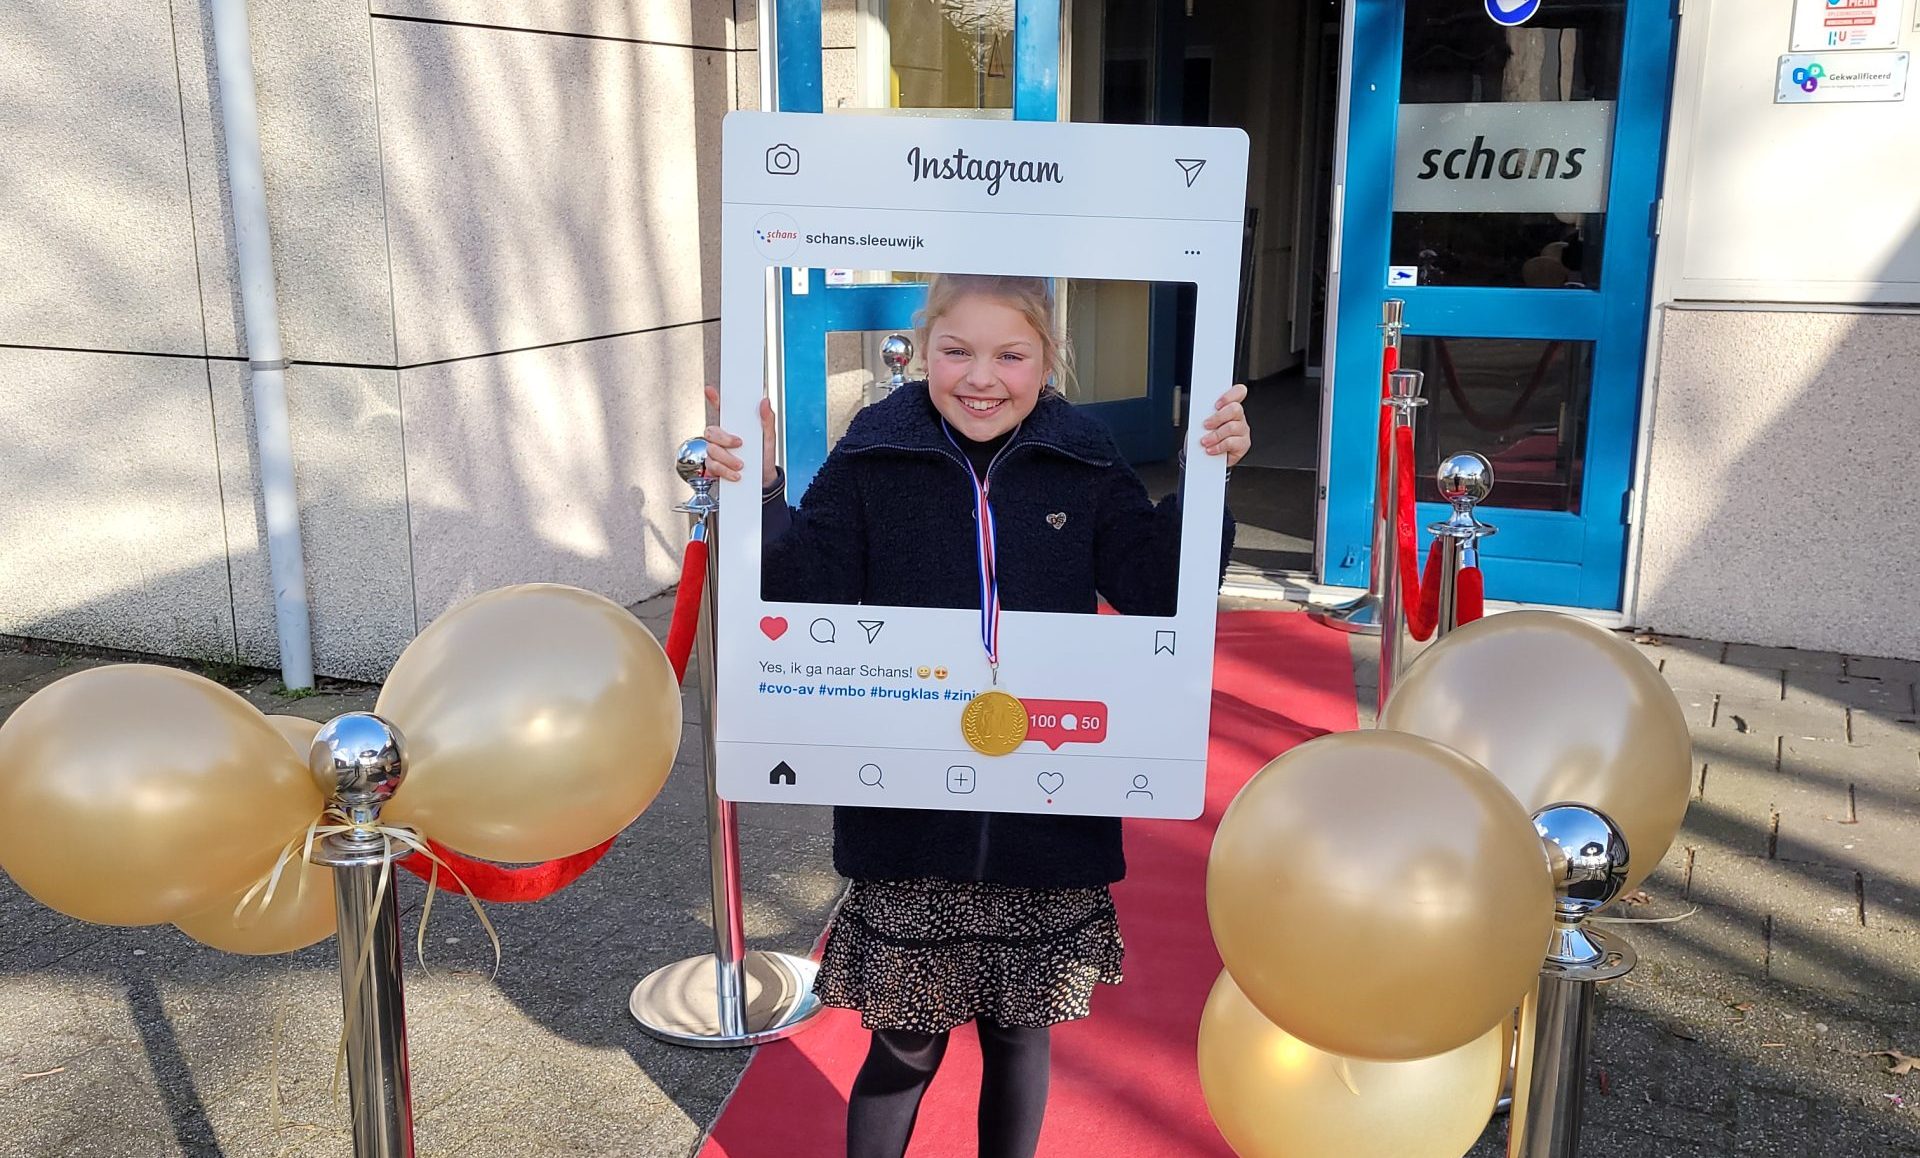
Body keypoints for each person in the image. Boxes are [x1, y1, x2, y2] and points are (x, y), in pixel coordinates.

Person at [702, 273, 1250, 1158]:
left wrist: (1206, 478)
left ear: (1049, 360)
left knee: (1018, 1031)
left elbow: (1155, 588)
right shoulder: (875, 450)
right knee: (907, 1042)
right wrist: (763, 487)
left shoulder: (1085, 451)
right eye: (957, 350)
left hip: (1046, 810)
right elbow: (808, 590)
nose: (981, 377)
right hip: (913, 814)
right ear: (923, 353)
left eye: (1011, 354)